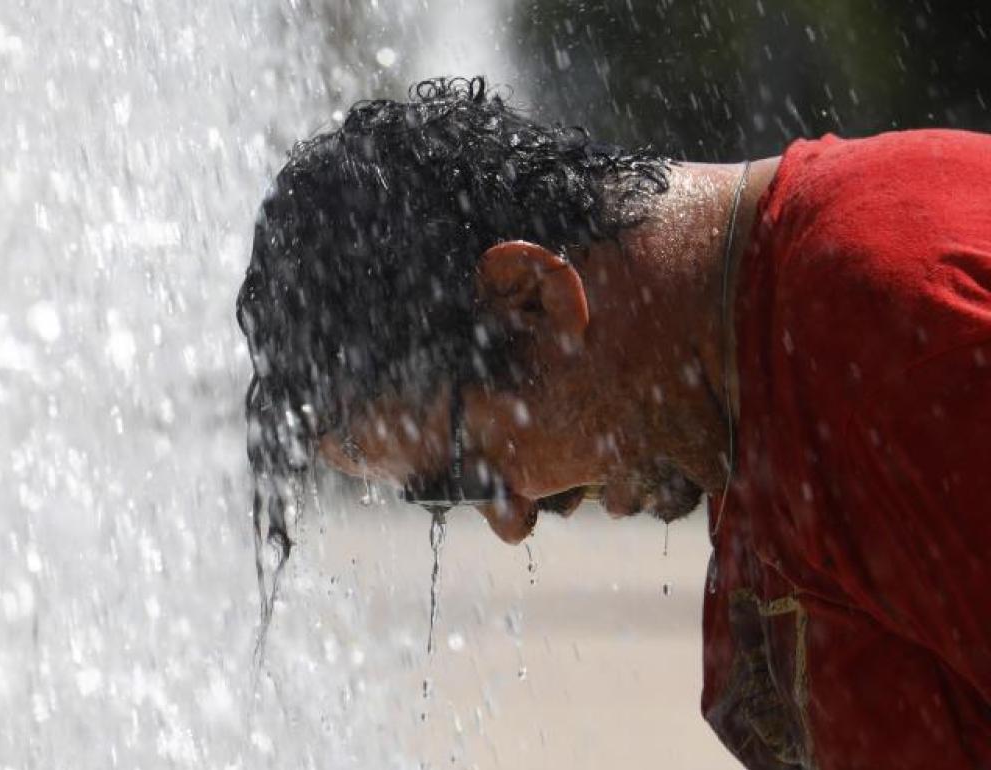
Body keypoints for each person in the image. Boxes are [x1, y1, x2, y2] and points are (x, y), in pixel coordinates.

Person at [235, 77, 991, 768]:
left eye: (466, 472)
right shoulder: (758, 405)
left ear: (533, 301)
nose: (511, 522)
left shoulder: (894, 341)